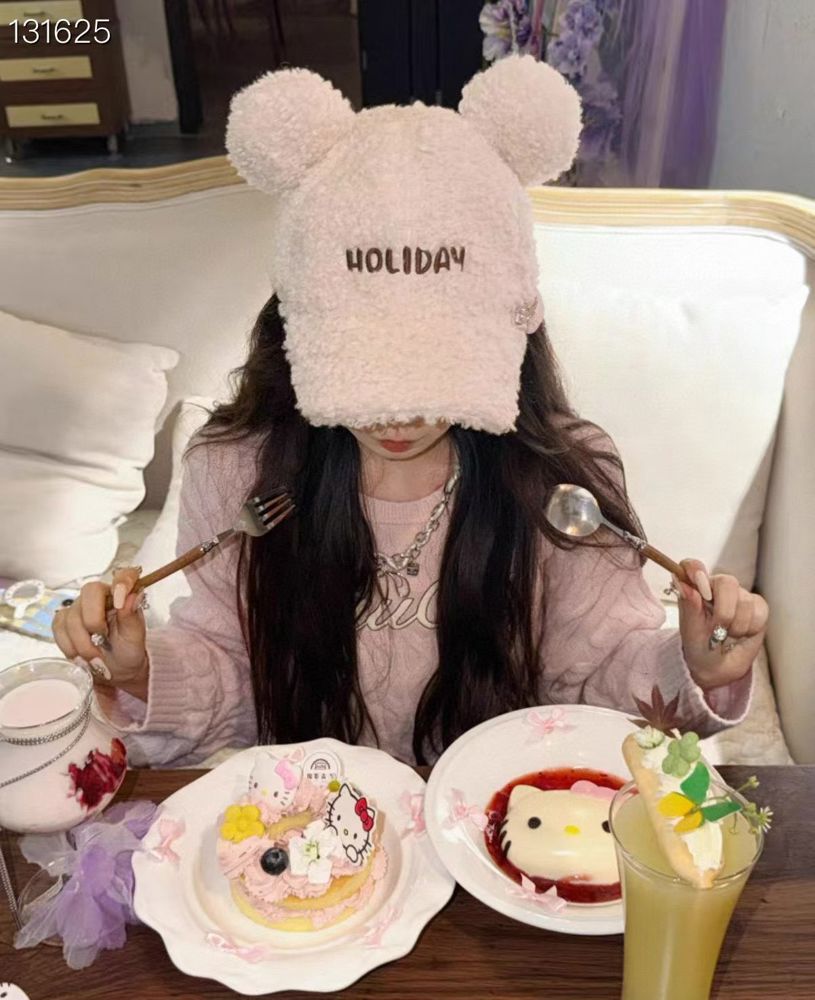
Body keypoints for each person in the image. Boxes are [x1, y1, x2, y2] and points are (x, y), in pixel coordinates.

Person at [52, 57, 766, 767]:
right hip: (310, 812)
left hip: (501, 804)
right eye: (361, 359)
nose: (397, 416)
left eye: (436, 361)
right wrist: (140, 671)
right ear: (300, 326)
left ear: (510, 326)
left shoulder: (557, 478)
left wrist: (698, 669)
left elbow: (598, 677)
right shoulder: (238, 468)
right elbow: (235, 672)